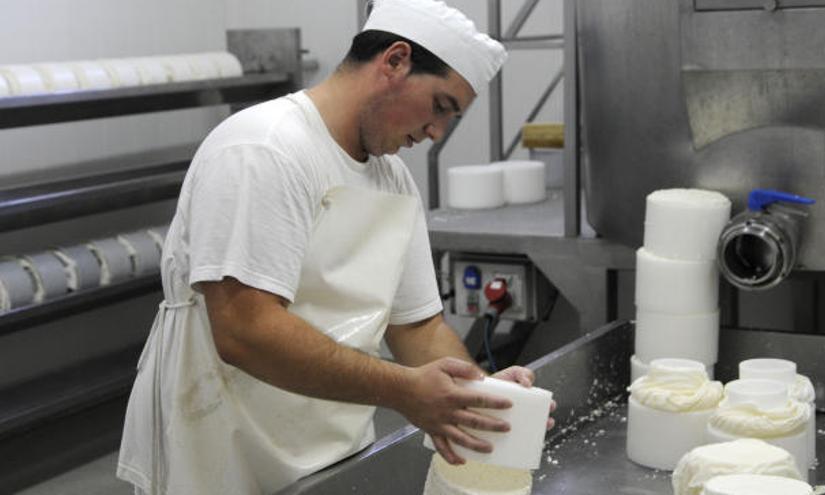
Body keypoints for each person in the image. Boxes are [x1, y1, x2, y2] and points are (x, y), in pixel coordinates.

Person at [117, 0, 553, 493]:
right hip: (221, 441)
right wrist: (404, 390)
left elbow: (417, 325)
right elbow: (244, 329)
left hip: (327, 443)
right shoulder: (265, 149)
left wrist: (478, 396)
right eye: (440, 107)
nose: (436, 133)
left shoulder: (393, 180)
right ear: (394, 61)